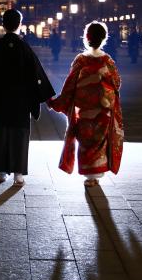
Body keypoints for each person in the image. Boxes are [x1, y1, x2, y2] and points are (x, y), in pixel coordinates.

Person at [0, 9, 55, 186]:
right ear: (19, 25)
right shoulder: (25, 48)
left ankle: (1, 172)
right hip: (20, 102)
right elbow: (37, 75)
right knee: (19, 135)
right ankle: (18, 174)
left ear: (3, 24)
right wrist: (47, 97)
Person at [48, 21, 124, 187]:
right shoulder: (107, 61)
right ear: (104, 39)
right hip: (103, 110)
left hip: (84, 111)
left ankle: (90, 176)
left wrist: (56, 103)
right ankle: (96, 174)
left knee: (86, 141)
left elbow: (70, 86)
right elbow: (117, 83)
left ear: (86, 38)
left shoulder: (81, 60)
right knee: (99, 142)